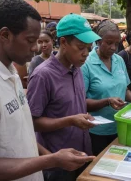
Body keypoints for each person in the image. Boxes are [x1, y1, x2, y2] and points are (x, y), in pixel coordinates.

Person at [0, 0, 95, 181]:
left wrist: (50, 158)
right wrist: (51, 160)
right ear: (5, 35)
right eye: (31, 40)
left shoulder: (11, 73)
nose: (36, 48)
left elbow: (25, 130)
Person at [27, 13, 101, 181]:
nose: (85, 53)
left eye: (88, 48)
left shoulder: (77, 69)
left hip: (81, 152)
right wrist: (71, 120)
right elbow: (31, 123)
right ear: (63, 43)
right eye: (81, 47)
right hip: (57, 161)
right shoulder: (43, 76)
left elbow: (74, 105)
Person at [82, 20, 131, 156]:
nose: (114, 48)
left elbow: (125, 88)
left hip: (120, 127)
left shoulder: (119, 60)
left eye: (117, 43)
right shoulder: (86, 64)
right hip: (97, 132)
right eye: (109, 43)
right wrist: (107, 101)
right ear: (98, 41)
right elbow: (81, 102)